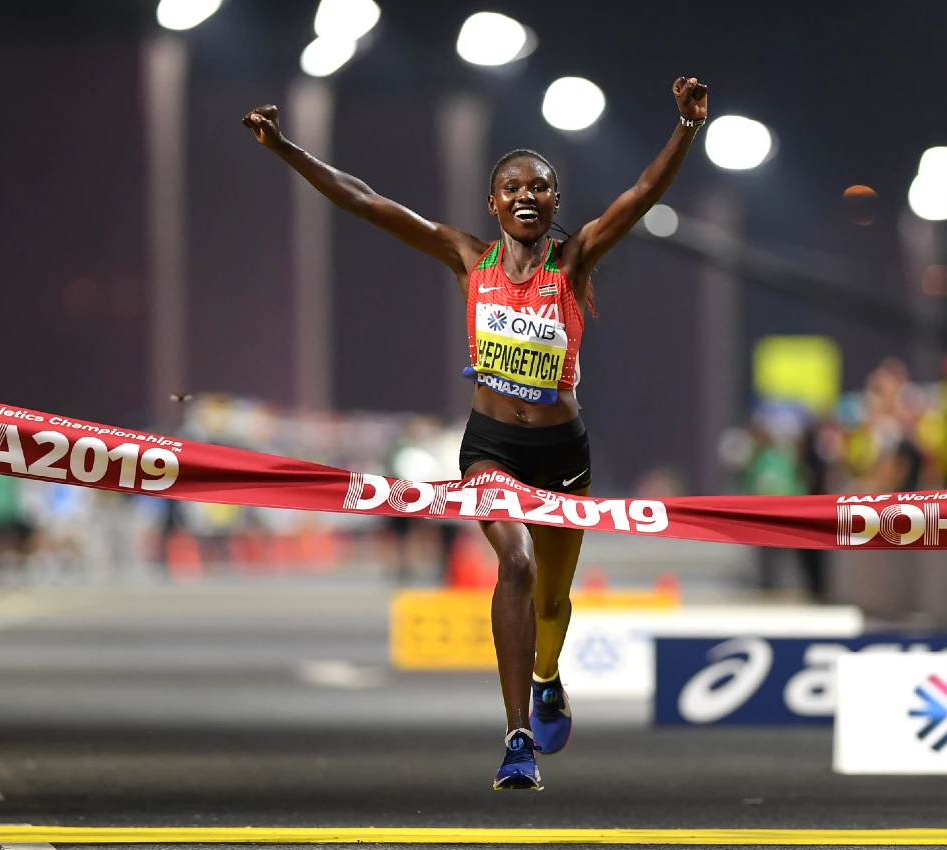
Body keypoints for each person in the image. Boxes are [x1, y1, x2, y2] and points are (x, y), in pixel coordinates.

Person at [243, 76, 709, 790]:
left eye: (541, 187)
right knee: (514, 564)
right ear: (493, 204)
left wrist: (684, 126)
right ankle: (517, 734)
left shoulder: (574, 257)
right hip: (490, 448)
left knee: (554, 597)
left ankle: (548, 675)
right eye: (513, 187)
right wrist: (286, 148)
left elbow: (642, 195)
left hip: (561, 452)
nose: (527, 195)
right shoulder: (468, 258)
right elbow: (364, 199)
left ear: (554, 202)